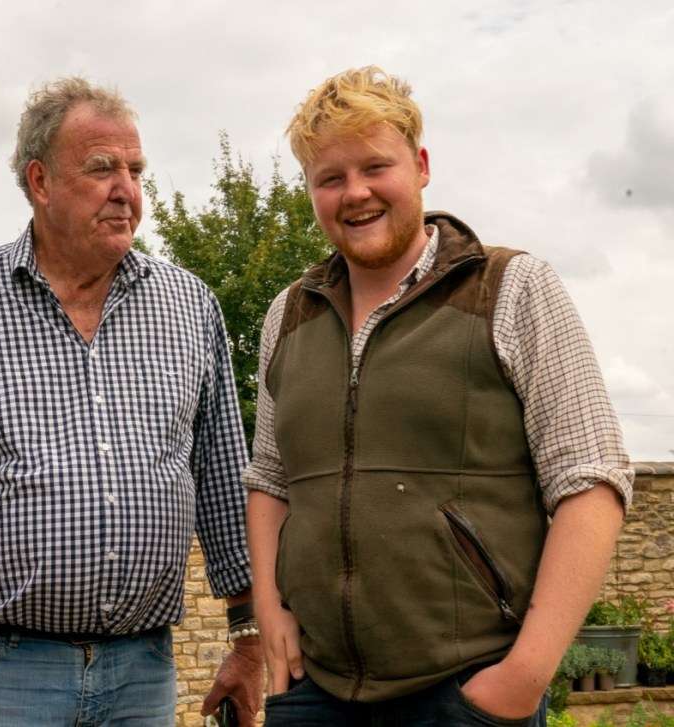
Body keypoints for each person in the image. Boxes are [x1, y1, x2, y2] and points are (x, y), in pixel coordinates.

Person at [0, 76, 262, 726]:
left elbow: (221, 490)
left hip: (143, 674)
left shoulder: (189, 306)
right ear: (40, 182)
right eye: (102, 169)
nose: (127, 189)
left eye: (135, 169)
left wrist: (248, 638)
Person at [243, 65, 634, 726]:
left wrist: (524, 674)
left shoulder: (512, 289)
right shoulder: (289, 314)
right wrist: (269, 609)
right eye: (330, 178)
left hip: (466, 693)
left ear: (421, 166)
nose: (355, 192)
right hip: (314, 691)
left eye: (375, 167)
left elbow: (591, 480)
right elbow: (270, 480)